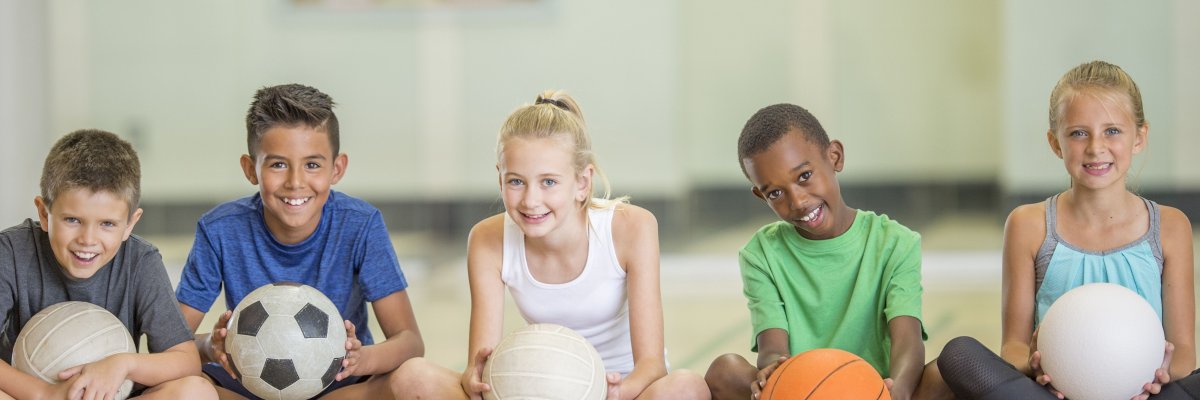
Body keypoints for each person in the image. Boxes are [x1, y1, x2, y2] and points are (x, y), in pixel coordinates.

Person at [392, 90, 710, 399]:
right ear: (500, 178)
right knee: (412, 376)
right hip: (536, 388)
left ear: (582, 183)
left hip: (622, 390)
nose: (531, 200)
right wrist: (474, 377)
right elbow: (481, 362)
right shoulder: (487, 240)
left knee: (687, 387)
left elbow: (652, 366)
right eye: (516, 181)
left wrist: (612, 393)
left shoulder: (632, 227)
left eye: (549, 182)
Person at [935, 60, 1199, 399]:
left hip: (1146, 394)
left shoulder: (1170, 226)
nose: (1095, 147)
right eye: (1078, 133)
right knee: (959, 354)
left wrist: (1157, 376)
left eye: (1112, 131)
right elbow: (1013, 346)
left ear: (1139, 137)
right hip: (1054, 393)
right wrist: (1035, 365)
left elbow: (1184, 355)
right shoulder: (1028, 224)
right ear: (1055, 142)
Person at [175, 84, 424, 399]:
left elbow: (410, 342)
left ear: (337, 168)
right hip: (246, 391)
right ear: (251, 169)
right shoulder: (220, 230)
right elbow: (172, 342)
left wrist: (360, 359)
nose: (295, 182)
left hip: (341, 390)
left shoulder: (359, 224)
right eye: (278, 164)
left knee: (420, 378)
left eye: (312, 165)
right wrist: (209, 346)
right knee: (182, 388)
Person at [704, 103, 935, 400]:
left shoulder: (895, 242)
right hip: (802, 390)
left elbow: (907, 341)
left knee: (949, 370)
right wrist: (772, 373)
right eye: (775, 193)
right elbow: (772, 348)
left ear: (834, 157)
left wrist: (897, 390)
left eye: (804, 176)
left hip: (877, 388)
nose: (797, 201)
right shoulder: (760, 254)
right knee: (725, 370)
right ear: (761, 196)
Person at [0, 129, 217, 400]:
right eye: (72, 220)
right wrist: (45, 394)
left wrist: (124, 363)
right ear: (44, 214)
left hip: (114, 395)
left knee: (197, 392)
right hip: (29, 396)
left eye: (107, 224)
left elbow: (185, 360)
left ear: (129, 224)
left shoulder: (140, 262)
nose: (88, 240)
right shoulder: (10, 252)